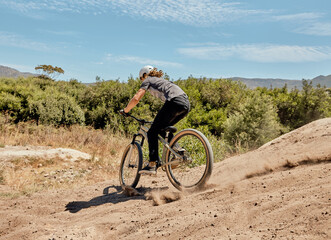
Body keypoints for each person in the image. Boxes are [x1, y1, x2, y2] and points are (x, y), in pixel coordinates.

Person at [120, 65, 190, 175]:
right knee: (163, 129)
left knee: (152, 132)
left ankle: (152, 164)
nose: (142, 81)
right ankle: (177, 150)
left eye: (141, 79)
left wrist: (126, 110)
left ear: (144, 75)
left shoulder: (148, 80)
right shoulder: (161, 81)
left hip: (174, 102)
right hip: (185, 104)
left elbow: (136, 98)